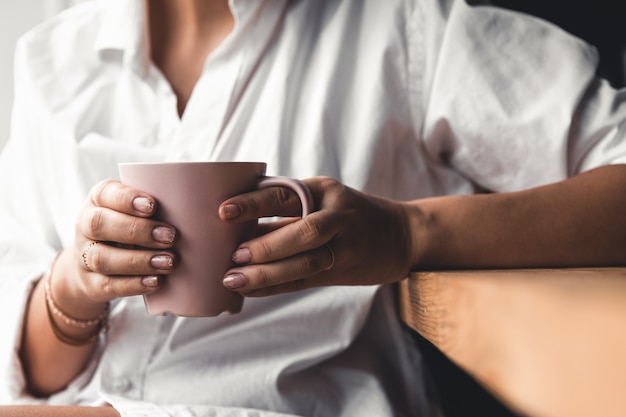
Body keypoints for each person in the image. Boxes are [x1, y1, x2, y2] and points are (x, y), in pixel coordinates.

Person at [0, 0, 625, 416]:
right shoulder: (51, 61)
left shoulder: (399, 27)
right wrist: (71, 288)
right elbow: (40, 376)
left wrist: (410, 233)